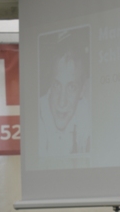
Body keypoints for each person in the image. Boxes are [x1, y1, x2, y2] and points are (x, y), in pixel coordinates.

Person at [39, 28, 91, 156]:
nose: (62, 102)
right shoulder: (37, 117)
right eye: (57, 85)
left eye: (71, 87)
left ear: (82, 90)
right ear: (50, 83)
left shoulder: (87, 113)